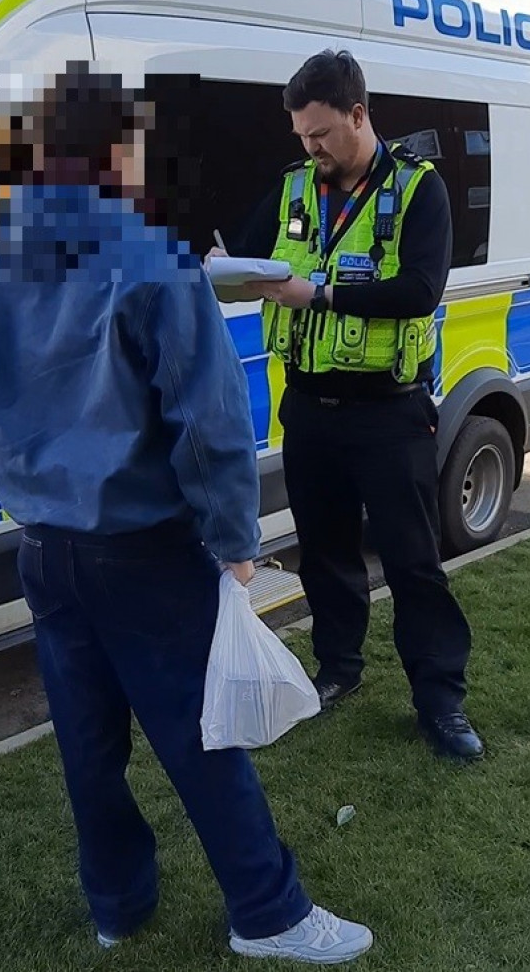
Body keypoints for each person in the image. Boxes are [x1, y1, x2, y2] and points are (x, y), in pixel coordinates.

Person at [0, 62, 373, 964]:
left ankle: (118, 905)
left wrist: (36, 493)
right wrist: (237, 541)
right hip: (144, 551)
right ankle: (269, 912)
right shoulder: (154, 259)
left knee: (87, 745)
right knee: (202, 735)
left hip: (46, 552)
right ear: (120, 150)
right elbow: (211, 425)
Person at [209, 50, 483, 761]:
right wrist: (223, 267)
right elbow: (239, 249)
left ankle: (440, 701)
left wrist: (321, 294)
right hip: (309, 409)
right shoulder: (296, 186)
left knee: (413, 561)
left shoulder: (421, 190)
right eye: (301, 134)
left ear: (359, 116)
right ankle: (339, 669)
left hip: (389, 414)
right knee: (326, 554)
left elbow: (420, 288)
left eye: (321, 133)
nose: (310, 147)